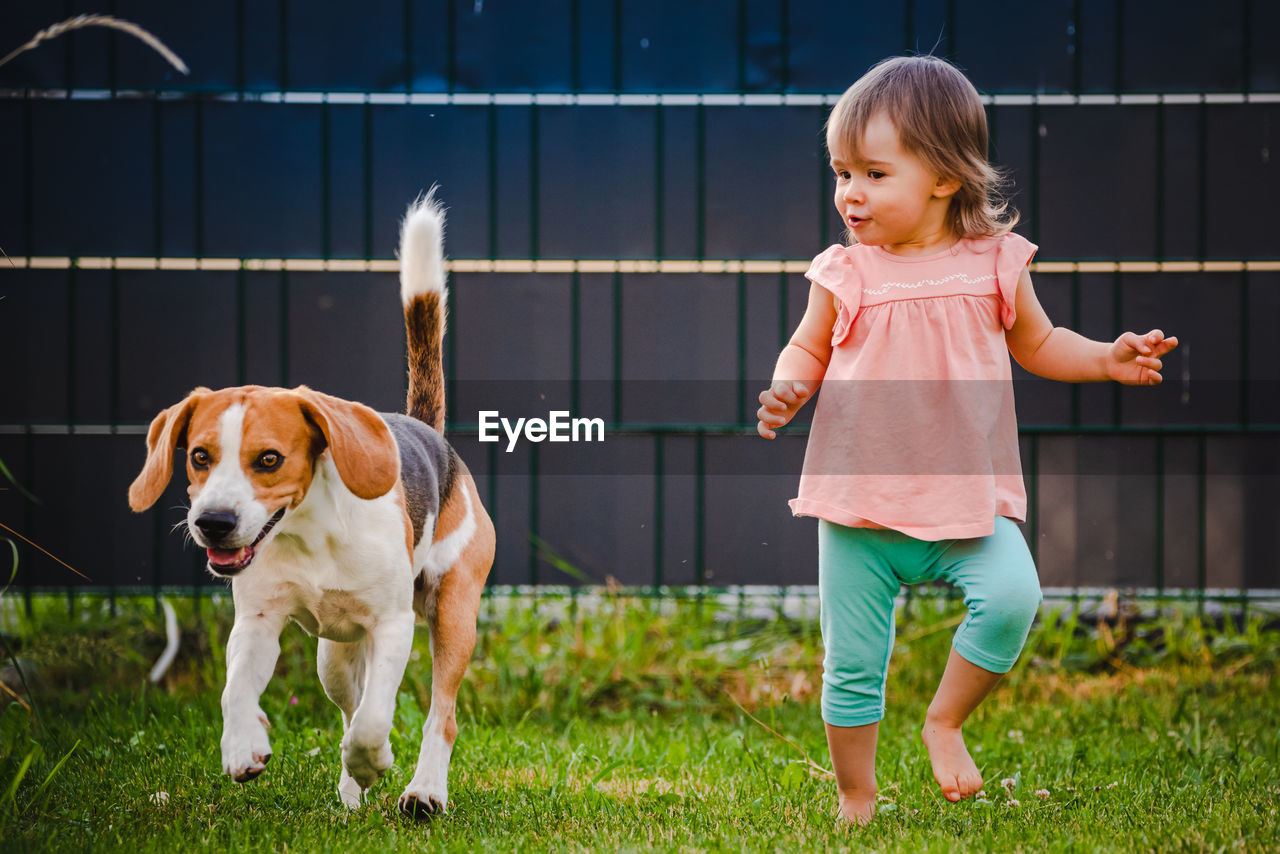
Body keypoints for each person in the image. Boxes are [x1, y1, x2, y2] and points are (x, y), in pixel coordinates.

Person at [756, 55, 1177, 825]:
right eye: (842, 171)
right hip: (860, 512)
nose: (851, 192)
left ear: (945, 179)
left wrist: (1108, 361)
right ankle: (856, 796)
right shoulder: (845, 272)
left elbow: (1042, 343)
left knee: (1014, 597)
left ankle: (943, 721)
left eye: (875, 174)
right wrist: (789, 385)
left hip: (966, 504)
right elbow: (806, 348)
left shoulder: (995, 263)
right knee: (851, 668)